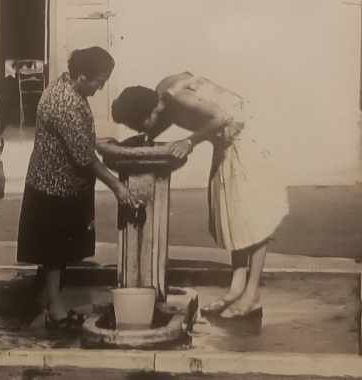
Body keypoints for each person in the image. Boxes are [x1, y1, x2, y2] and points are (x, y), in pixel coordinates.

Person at [111, 73, 288, 319]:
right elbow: (165, 119)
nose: (143, 129)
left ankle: (252, 292)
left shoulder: (175, 95)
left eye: (140, 125)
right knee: (234, 216)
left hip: (247, 138)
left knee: (254, 215)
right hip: (226, 141)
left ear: (148, 113)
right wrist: (144, 139)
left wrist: (189, 141)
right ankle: (237, 288)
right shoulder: (161, 97)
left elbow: (223, 116)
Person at [17, 47, 137, 329]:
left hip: (54, 183)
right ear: (82, 76)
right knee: (54, 253)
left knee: (54, 253)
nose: (101, 87)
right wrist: (118, 187)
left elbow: (81, 139)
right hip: (55, 187)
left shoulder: (63, 86)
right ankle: (56, 312)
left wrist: (102, 142)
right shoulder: (65, 103)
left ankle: (46, 300)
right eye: (99, 81)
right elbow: (84, 157)